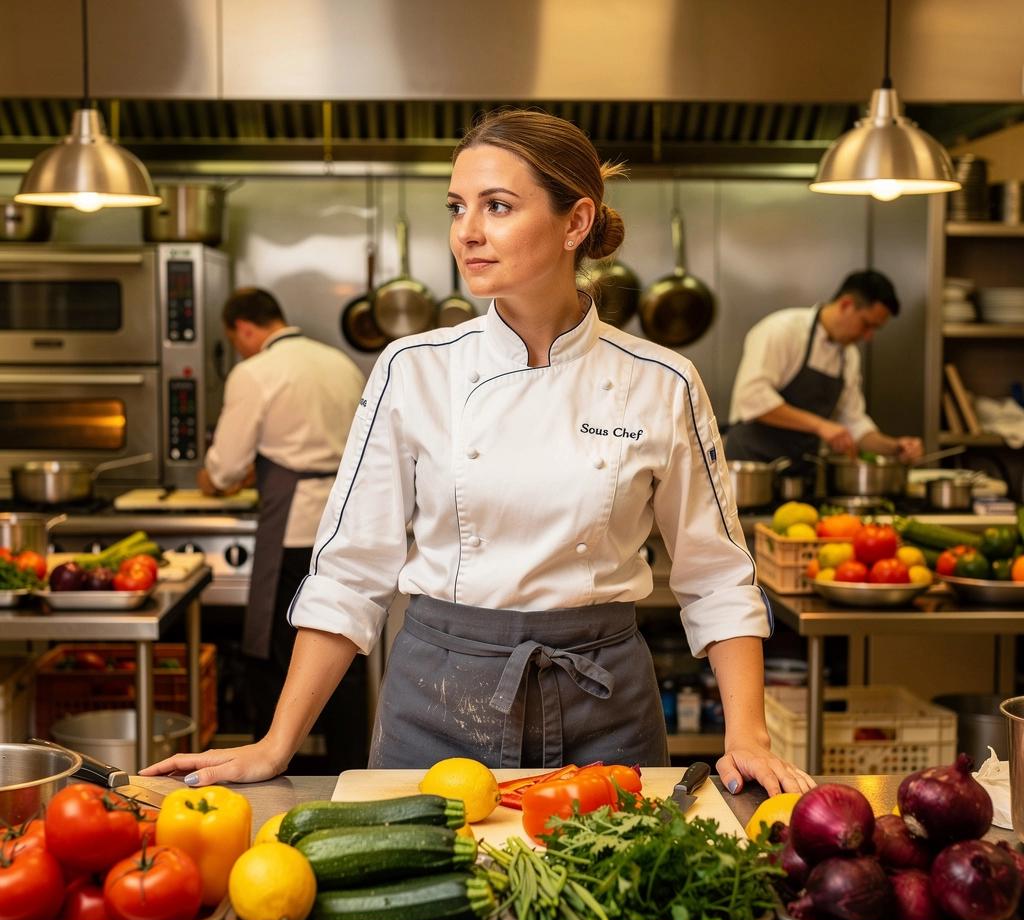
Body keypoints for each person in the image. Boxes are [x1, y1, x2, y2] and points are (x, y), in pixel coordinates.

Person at [144, 111, 813, 796]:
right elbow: (350, 572)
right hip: (435, 703)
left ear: (575, 223)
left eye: (497, 206)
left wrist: (748, 737)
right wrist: (276, 742)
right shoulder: (413, 368)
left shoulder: (661, 380)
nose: (467, 231)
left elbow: (717, 576)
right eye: (458, 207)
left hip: (605, 708)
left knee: (609, 901)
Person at [198, 287, 367, 764]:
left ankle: (272, 767)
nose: (240, 349)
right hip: (345, 521)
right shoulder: (340, 363)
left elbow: (226, 468)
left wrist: (212, 479)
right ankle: (349, 770)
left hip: (292, 529)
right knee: (343, 652)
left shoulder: (254, 372)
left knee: (275, 657)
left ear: (245, 329)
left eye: (237, 341)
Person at [725, 271, 924, 474]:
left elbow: (853, 422)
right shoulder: (782, 330)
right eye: (866, 324)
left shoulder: (849, 356)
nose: (868, 336)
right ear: (846, 304)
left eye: (875, 329)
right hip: (751, 469)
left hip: (798, 473)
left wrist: (895, 447)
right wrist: (820, 425)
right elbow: (752, 398)